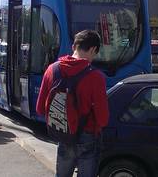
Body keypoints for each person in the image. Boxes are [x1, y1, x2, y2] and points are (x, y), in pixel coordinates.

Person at [36, 30, 109, 177]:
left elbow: (40, 109)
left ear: (74, 46)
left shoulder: (52, 70)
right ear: (93, 49)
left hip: (64, 135)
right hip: (88, 136)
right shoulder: (96, 77)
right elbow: (103, 118)